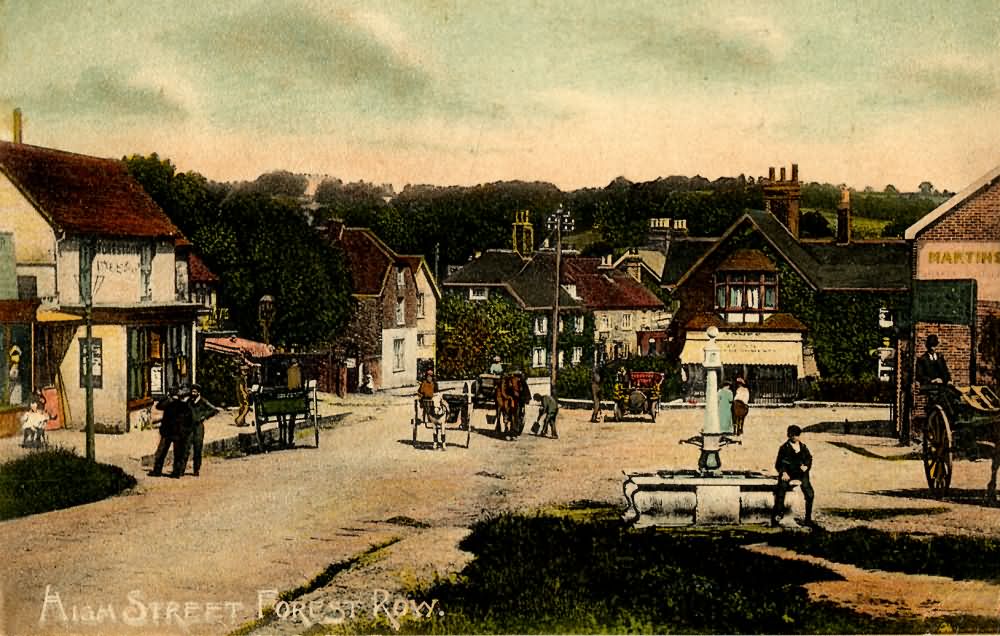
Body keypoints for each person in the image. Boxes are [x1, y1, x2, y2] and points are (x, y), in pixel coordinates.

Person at [771, 424, 816, 528]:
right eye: (794, 435)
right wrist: (783, 472)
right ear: (789, 435)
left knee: (810, 493)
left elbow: (809, 459)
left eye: (797, 435)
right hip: (788, 473)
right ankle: (778, 514)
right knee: (781, 489)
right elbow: (778, 464)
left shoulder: (803, 447)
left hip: (801, 474)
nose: (796, 437)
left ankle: (808, 518)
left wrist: (807, 466)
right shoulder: (784, 448)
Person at [150, 386, 194, 478]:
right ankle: (176, 472)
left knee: (162, 452)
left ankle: (158, 471)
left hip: (170, 432)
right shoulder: (184, 405)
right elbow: (189, 420)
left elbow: (159, 406)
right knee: (177, 454)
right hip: (175, 433)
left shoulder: (170, 404)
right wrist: (186, 432)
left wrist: (167, 398)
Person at [185, 384, 219, 477]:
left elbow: (214, 410)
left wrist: (204, 416)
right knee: (186, 448)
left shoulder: (203, 401)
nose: (193, 393)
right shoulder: (189, 401)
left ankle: (196, 469)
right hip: (189, 427)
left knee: (197, 448)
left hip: (198, 427)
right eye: (192, 391)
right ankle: (181, 469)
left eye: (195, 392)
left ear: (198, 393)